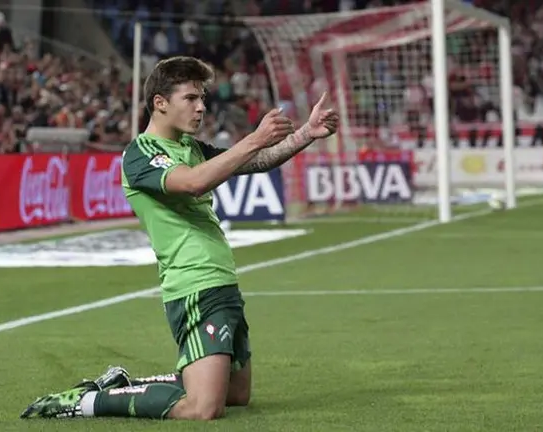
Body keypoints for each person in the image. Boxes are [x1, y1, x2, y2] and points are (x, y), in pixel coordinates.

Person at [20, 56, 339, 420]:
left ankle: (127, 383)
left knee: (236, 395)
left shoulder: (190, 147)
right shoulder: (140, 154)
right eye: (190, 98)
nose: (201, 106)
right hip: (193, 284)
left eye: (202, 98)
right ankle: (89, 402)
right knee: (203, 408)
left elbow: (256, 161)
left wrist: (304, 134)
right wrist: (253, 138)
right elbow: (192, 182)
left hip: (222, 280)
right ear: (160, 102)